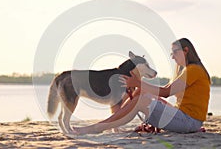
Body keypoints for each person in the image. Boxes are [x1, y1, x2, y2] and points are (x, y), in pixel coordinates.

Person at [73, 38, 211, 134]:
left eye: (174, 52)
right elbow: (163, 89)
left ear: (185, 51)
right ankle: (112, 120)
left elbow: (166, 92)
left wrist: (138, 83)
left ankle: (99, 127)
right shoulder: (186, 70)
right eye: (171, 53)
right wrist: (139, 87)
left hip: (189, 122)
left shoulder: (193, 70)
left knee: (141, 99)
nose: (172, 57)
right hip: (183, 117)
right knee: (140, 94)